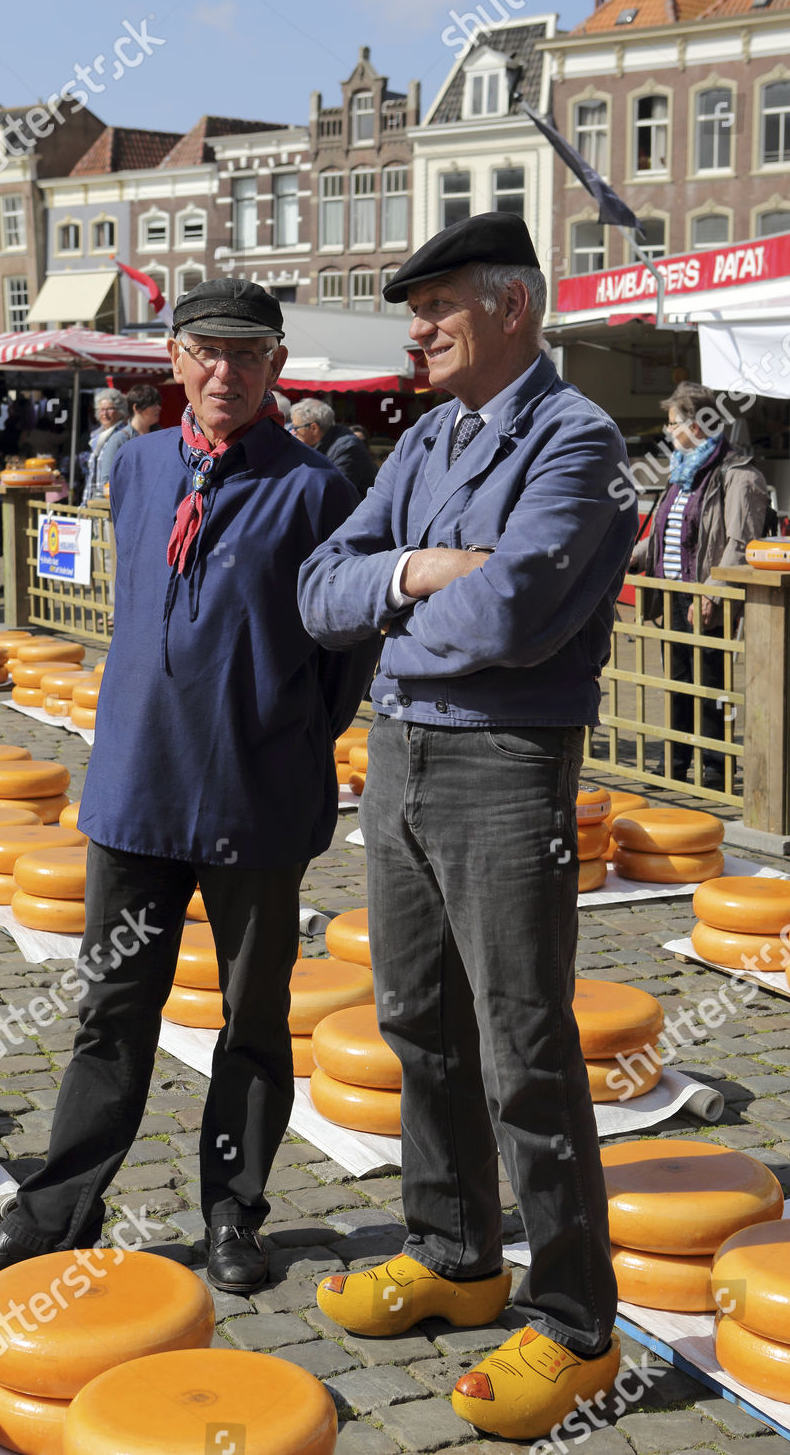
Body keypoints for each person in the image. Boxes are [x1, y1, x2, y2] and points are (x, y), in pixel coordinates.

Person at [0, 278, 375, 1299]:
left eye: (248, 352)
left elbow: (343, 657)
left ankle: (234, 1213)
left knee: (252, 1018)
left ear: (276, 366)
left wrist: (279, 729)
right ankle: (57, 1212)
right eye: (205, 351)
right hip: (137, 787)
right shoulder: (133, 467)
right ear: (173, 359)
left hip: (254, 799)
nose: (225, 371)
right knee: (110, 1012)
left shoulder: (315, 490)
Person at [297, 213, 637, 1442]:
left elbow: (515, 619)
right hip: (400, 752)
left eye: (437, 302)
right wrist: (421, 573)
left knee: (524, 1045)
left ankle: (576, 1318)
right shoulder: (427, 438)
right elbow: (317, 589)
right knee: (415, 1021)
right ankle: (453, 1251)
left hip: (504, 764)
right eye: (415, 304)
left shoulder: (579, 440)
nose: (415, 325)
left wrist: (409, 601)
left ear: (515, 309)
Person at [631, 382, 767, 792]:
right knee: (676, 681)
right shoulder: (682, 467)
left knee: (711, 684)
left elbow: (739, 543)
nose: (668, 431)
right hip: (672, 593)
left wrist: (712, 592)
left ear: (697, 424)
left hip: (707, 596)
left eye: (673, 423)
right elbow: (666, 530)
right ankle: (673, 760)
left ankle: (715, 767)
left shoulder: (738, 473)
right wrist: (634, 554)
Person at [291, 398, 377, 500]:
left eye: (296, 428)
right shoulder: (317, 445)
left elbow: (335, 493)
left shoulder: (347, 448)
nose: (293, 432)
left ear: (314, 428)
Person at [81, 389, 129, 500]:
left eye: (109, 409)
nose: (105, 414)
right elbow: (91, 475)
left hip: (110, 502)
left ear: (120, 410)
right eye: (101, 409)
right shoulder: (95, 436)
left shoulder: (123, 436)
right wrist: (85, 503)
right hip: (93, 500)